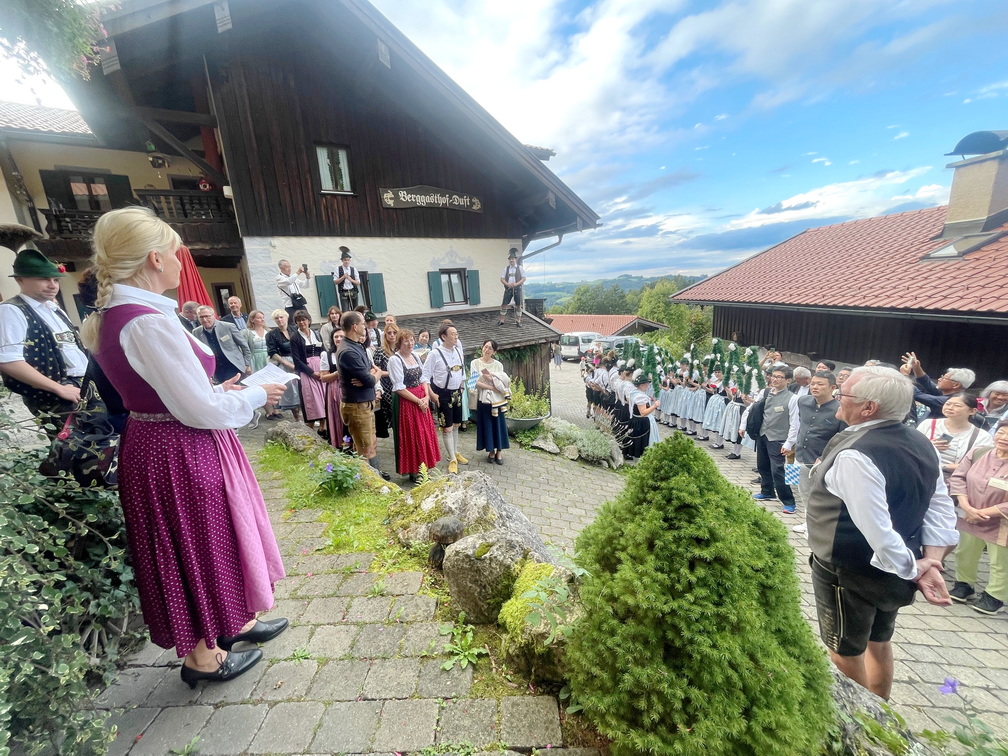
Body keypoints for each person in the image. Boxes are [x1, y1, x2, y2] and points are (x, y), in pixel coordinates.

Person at [82, 206, 288, 688]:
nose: (181, 262)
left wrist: (220, 391)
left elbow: (176, 393)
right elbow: (195, 409)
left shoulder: (130, 314)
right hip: (175, 449)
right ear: (155, 259)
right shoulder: (144, 322)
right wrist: (256, 395)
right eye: (177, 253)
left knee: (212, 539)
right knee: (193, 545)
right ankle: (202, 658)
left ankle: (232, 624)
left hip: (166, 441)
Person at [807, 366, 958, 699]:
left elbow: (876, 529)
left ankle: (865, 722)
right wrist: (930, 561)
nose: (837, 397)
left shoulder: (856, 455)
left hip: (850, 569)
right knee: (879, 640)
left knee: (845, 651)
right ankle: (883, 709)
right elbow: (939, 506)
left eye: (843, 393)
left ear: (868, 407)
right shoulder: (921, 442)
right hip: (897, 567)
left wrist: (913, 567)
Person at [0, 248, 87, 433]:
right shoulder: (11, 310)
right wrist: (58, 388)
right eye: (43, 279)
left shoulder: (53, 309)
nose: (52, 285)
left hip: (82, 387)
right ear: (20, 279)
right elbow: (9, 360)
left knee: (103, 445)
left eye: (55, 280)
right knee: (75, 448)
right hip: (54, 394)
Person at [947, 420, 1008, 615]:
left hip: (1002, 522)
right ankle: (964, 584)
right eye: (1001, 432)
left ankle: (995, 596)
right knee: (965, 551)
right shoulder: (979, 453)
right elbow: (958, 477)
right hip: (969, 513)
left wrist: (983, 513)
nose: (1004, 438)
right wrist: (966, 506)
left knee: (1000, 561)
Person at [337, 310, 389, 480]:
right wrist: (377, 374)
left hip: (365, 404)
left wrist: (372, 375)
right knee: (364, 450)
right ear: (354, 327)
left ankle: (376, 478)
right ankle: (368, 483)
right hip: (357, 406)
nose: (365, 326)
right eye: (362, 324)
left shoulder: (357, 345)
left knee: (371, 444)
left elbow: (369, 372)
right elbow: (370, 379)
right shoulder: (348, 351)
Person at [792, 371, 845, 536]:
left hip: (822, 460)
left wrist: (824, 457)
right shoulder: (803, 401)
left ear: (832, 387)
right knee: (802, 490)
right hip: (800, 454)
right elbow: (799, 425)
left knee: (819, 495)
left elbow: (842, 438)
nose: (815, 387)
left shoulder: (839, 409)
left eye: (820, 384)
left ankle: (817, 527)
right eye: (813, 383)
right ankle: (808, 521)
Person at [388, 329, 440, 480]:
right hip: (407, 402)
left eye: (411, 340)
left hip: (422, 399)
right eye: (406, 341)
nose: (410, 343)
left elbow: (424, 377)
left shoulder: (415, 356)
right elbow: (399, 387)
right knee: (412, 435)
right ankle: (413, 470)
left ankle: (424, 467)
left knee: (424, 433)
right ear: (399, 343)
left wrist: (426, 397)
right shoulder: (395, 360)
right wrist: (418, 401)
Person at [751, 365, 801, 513]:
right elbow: (753, 409)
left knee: (778, 470)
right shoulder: (765, 392)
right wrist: (743, 426)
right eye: (773, 376)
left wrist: (789, 442)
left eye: (779, 377)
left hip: (778, 438)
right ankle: (767, 491)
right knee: (762, 465)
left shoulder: (792, 398)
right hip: (763, 434)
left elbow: (795, 423)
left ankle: (789, 501)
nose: (775, 379)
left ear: (788, 380)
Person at [422, 321, 468, 473]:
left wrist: (462, 387)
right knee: (447, 427)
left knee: (455, 425)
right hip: (442, 394)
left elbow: (462, 372)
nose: (456, 337)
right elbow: (425, 376)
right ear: (444, 337)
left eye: (457, 334)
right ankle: (452, 459)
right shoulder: (434, 354)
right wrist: (431, 394)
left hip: (457, 392)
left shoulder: (458, 351)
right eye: (453, 334)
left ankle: (454, 452)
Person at [916, 393, 991, 481]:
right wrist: (928, 446)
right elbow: (912, 449)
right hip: (922, 473)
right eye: (948, 404)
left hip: (955, 480)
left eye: (957, 406)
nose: (950, 408)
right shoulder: (927, 424)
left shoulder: (982, 436)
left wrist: (942, 466)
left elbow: (978, 465)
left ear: (972, 411)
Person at [902, 351, 975, 421]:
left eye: (944, 378)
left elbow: (917, 394)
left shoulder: (948, 400)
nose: (939, 379)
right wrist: (916, 367)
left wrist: (904, 376)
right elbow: (925, 381)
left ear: (956, 385)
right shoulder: (947, 394)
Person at [471, 339, 511, 465]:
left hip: (497, 400)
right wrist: (491, 387)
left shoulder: (498, 365)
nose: (486, 350)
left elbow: (503, 381)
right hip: (483, 399)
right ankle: (491, 451)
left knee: (498, 424)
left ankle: (499, 451)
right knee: (487, 425)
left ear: (494, 351)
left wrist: (492, 382)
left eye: (490, 348)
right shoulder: (475, 363)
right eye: (485, 347)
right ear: (482, 347)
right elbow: (473, 382)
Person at [192, 306, 252, 385]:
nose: (205, 320)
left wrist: (247, 364)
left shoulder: (228, 326)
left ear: (213, 315)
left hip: (233, 366)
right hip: (215, 370)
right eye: (201, 317)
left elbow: (244, 346)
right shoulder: (196, 332)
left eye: (207, 316)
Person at [290, 310, 327, 437]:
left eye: (304, 320)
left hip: (320, 368)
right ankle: (309, 430)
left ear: (309, 321)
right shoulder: (295, 338)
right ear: (296, 323)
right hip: (307, 371)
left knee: (323, 397)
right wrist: (312, 373)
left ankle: (322, 427)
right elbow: (297, 360)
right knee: (311, 398)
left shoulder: (316, 334)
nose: (302, 322)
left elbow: (323, 352)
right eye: (299, 320)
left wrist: (324, 369)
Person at [244, 310, 281, 421]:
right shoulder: (247, 333)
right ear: (252, 319)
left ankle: (276, 409)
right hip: (255, 359)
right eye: (259, 317)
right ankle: (268, 411)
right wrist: (247, 364)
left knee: (272, 383)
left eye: (263, 317)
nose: (262, 319)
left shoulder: (269, 331)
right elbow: (244, 349)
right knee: (260, 385)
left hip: (268, 359)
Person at [266, 310, 302, 421]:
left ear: (287, 317)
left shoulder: (296, 329)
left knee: (303, 388)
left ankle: (307, 416)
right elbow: (272, 352)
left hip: (299, 360)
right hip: (284, 362)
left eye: (281, 317)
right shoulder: (271, 334)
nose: (279, 320)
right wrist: (288, 364)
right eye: (277, 318)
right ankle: (297, 418)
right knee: (291, 390)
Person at [318, 326, 346, 450]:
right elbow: (323, 377)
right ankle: (338, 443)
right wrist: (336, 374)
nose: (338, 339)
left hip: (349, 388)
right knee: (336, 417)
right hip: (334, 389)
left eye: (341, 336)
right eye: (336, 337)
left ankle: (350, 444)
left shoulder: (350, 353)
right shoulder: (327, 355)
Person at [625, 370, 660, 459]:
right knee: (641, 442)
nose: (648, 386)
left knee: (636, 441)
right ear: (641, 385)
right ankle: (640, 461)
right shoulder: (641, 396)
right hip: (642, 422)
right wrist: (654, 406)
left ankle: (636, 459)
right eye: (646, 384)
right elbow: (643, 413)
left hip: (635, 419)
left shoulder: (633, 393)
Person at [497, 248, 525, 327]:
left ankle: (518, 320)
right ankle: (501, 320)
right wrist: (507, 284)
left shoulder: (520, 268)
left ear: (515, 259)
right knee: (504, 304)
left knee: (518, 305)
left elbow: (524, 278)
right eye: (510, 259)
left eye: (513, 259)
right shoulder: (506, 269)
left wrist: (516, 284)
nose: (511, 260)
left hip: (517, 289)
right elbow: (502, 279)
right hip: (508, 289)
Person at [333, 247, 360, 312]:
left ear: (350, 260)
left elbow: (358, 282)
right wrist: (343, 277)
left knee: (356, 310)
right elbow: (335, 282)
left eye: (348, 260)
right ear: (342, 260)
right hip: (343, 292)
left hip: (353, 291)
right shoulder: (337, 269)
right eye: (345, 260)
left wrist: (351, 280)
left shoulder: (353, 269)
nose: (346, 261)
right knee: (345, 311)